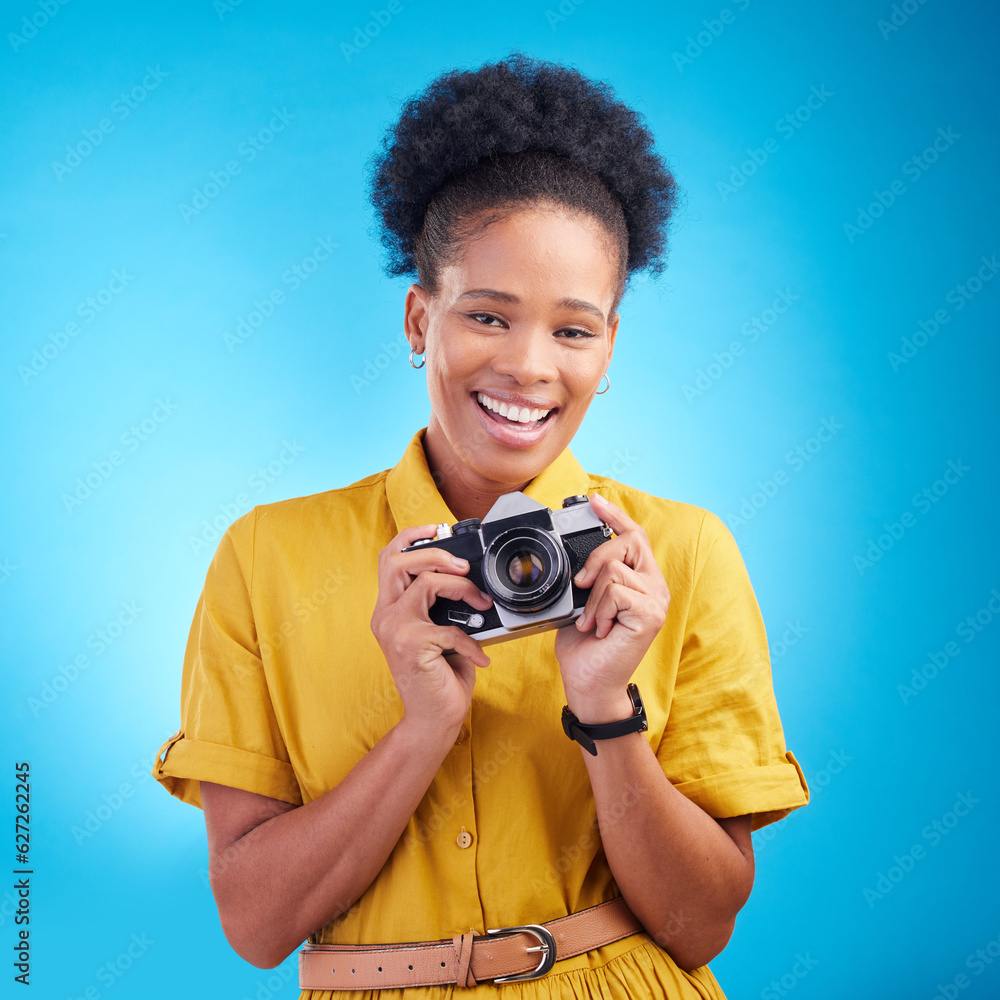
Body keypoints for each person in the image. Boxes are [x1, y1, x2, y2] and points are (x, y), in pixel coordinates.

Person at [152, 51, 810, 999]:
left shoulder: (678, 556)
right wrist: (422, 727)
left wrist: (605, 708)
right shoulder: (266, 558)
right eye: (489, 316)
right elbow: (256, 927)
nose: (532, 367)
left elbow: (702, 925)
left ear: (610, 347)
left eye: (575, 330)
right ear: (421, 319)